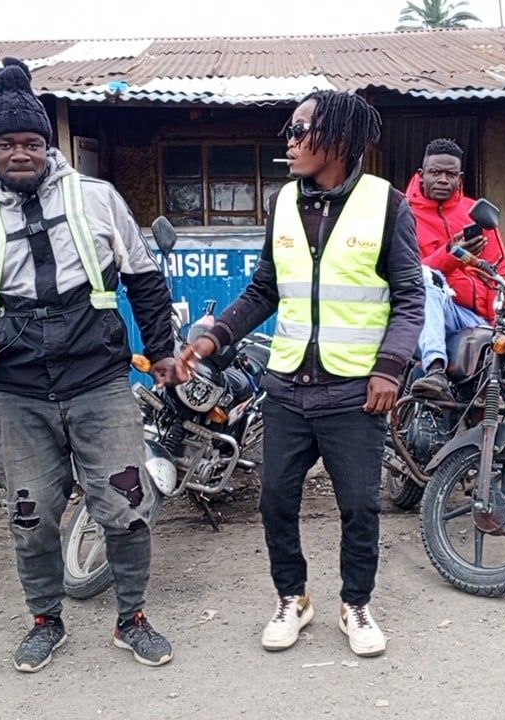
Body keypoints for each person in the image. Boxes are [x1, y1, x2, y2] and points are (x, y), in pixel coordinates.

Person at [176, 90, 425, 658]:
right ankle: (293, 598)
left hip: (355, 392)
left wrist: (390, 368)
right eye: (288, 129)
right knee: (275, 501)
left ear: (338, 139)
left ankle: (355, 603)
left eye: (299, 129)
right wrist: (214, 337)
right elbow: (264, 289)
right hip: (287, 387)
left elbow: (411, 297)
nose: (288, 141)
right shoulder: (282, 202)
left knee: (359, 506)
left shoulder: (386, 205)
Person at [0, 58, 177, 672]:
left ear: (49, 146)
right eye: (6, 144)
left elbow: (144, 281)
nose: (20, 153)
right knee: (29, 518)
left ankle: (131, 620)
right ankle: (45, 622)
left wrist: (161, 353)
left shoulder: (98, 200)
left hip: (99, 384)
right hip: (20, 392)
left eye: (31, 141)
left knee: (127, 506)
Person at [407, 139, 505, 402]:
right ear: (422, 174)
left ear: (460, 178)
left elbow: (501, 273)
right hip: (430, 313)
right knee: (425, 276)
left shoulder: (474, 212)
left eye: (450, 174)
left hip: (476, 318)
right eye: (435, 173)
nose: (443, 180)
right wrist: (450, 254)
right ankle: (435, 369)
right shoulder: (404, 214)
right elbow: (408, 275)